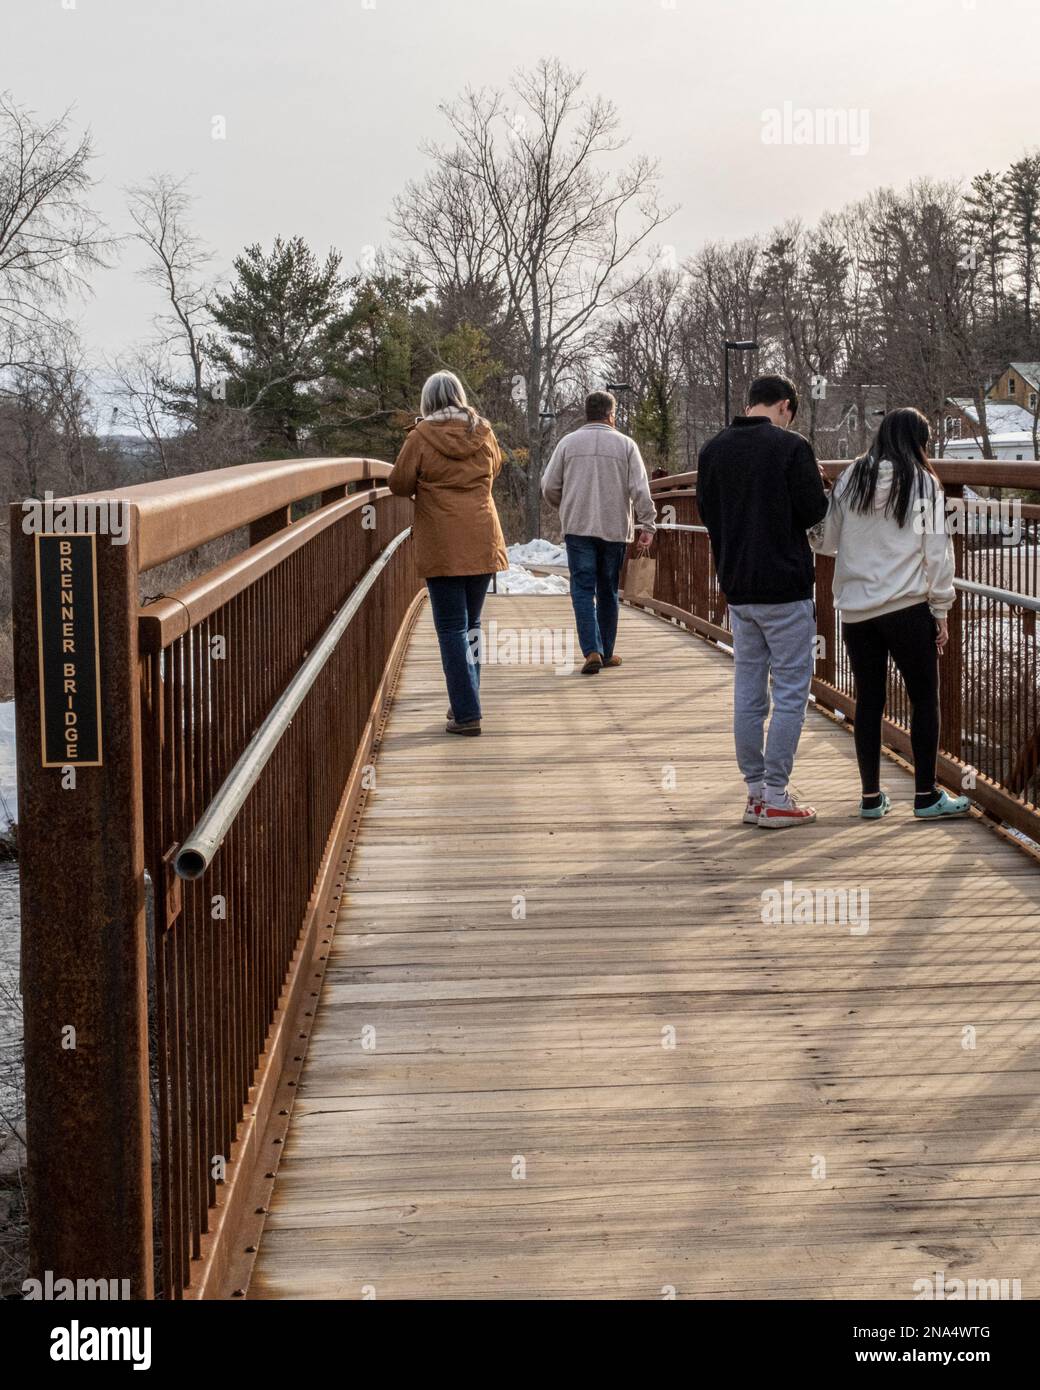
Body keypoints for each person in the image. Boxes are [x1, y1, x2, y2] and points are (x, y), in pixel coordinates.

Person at [809, 407, 969, 820]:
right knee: (923, 699)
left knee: (868, 701)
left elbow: (825, 542)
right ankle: (926, 795)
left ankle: (870, 798)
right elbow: (937, 551)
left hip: (858, 611)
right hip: (907, 607)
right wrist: (942, 609)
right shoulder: (923, 482)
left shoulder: (852, 477)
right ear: (917, 442)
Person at [698, 374, 828, 828]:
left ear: (751, 403)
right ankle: (777, 795)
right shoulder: (792, 448)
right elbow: (814, 512)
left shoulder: (712, 450)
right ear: (785, 406)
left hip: (738, 588)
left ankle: (755, 794)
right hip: (786, 588)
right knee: (791, 694)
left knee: (748, 692)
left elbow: (708, 513)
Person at [388, 371, 508, 737]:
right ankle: (464, 703)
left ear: (428, 401)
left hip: (443, 541)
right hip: (482, 536)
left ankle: (467, 711)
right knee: (470, 626)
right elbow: (497, 468)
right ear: (460, 396)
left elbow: (398, 483)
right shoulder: (484, 433)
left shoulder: (420, 437)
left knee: (451, 627)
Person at [541, 390, 657, 675]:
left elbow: (548, 486)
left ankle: (591, 649)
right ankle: (605, 651)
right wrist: (647, 523)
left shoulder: (567, 443)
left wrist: (565, 505)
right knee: (607, 590)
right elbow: (640, 489)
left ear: (587, 413)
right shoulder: (626, 445)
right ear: (611, 415)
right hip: (614, 528)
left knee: (582, 589)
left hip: (578, 526)